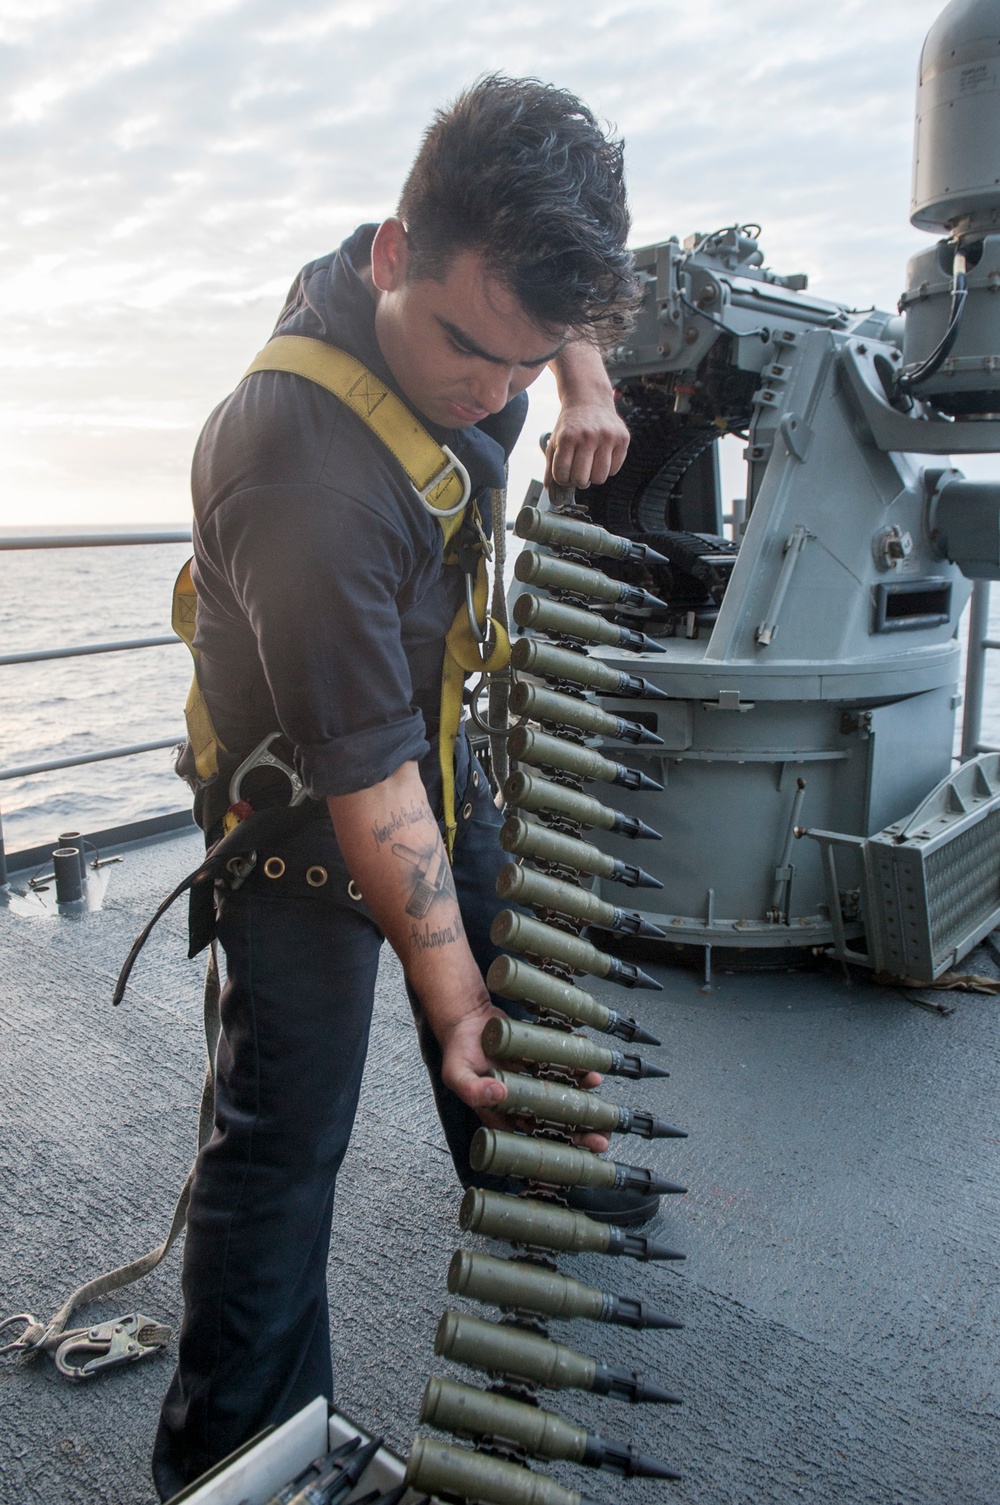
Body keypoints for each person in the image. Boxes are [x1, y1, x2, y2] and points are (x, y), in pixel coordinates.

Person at [153, 75, 640, 1499]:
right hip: (300, 822)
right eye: (468, 350)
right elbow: (364, 782)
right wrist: (455, 996)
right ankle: (231, 1456)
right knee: (284, 1147)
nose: (489, 390)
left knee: (527, 1057)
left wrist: (587, 379)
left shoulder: (461, 276)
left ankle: (530, 1301)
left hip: (435, 758)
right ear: (387, 254)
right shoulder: (297, 462)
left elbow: (551, 306)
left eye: (523, 357)